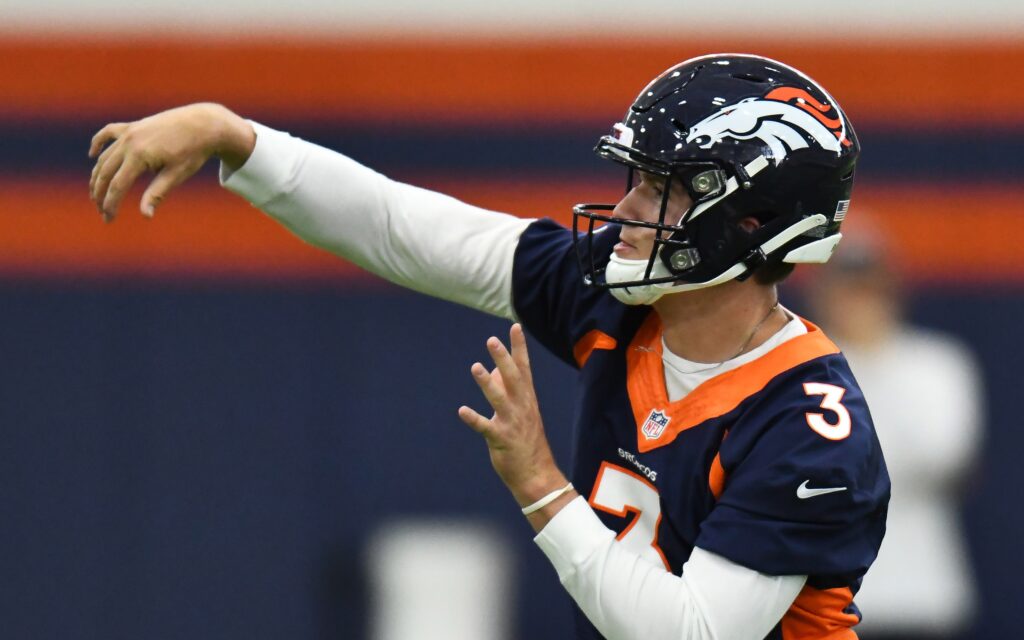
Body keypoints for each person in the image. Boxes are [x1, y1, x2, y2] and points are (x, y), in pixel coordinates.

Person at [88, 54, 890, 640]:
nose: (626, 208)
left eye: (660, 187)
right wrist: (238, 138)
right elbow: (408, 229)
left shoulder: (808, 429)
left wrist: (541, 485)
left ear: (749, 222)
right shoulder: (620, 299)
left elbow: (691, 634)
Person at [807, 238, 981, 640]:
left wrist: (872, 356)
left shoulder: (939, 363)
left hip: (920, 597)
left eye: (869, 290)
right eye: (848, 290)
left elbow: (942, 457)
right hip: (825, 605)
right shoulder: (803, 370)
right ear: (824, 295)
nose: (860, 304)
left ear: (893, 292)